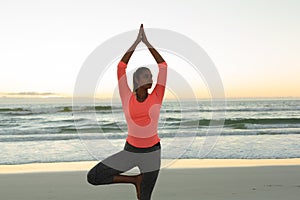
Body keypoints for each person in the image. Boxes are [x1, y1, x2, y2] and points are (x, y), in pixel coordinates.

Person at [87, 24, 168, 200]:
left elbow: (163, 65)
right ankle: (134, 180)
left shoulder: (157, 96)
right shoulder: (126, 96)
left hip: (152, 154)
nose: (151, 79)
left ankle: (140, 183)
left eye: (151, 76)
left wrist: (147, 43)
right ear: (137, 80)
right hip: (130, 151)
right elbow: (121, 66)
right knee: (93, 177)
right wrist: (136, 43)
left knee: (144, 198)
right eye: (147, 76)